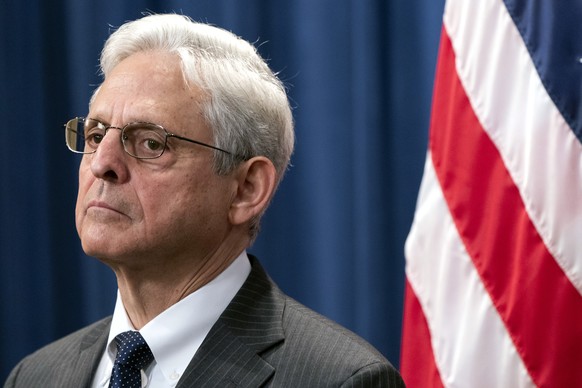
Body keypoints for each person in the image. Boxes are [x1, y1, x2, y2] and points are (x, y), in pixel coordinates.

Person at [5, 13, 405, 387]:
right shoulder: (36, 376)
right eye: (95, 136)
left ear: (246, 188)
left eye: (149, 142)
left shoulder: (340, 380)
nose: (102, 165)